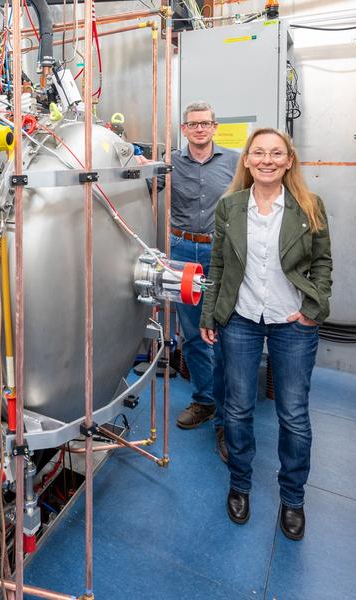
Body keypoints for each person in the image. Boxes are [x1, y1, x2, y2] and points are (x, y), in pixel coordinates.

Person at [199, 128, 333, 541]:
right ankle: (240, 485)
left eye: (276, 153)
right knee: (237, 409)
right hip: (240, 318)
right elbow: (218, 266)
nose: (267, 159)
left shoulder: (309, 206)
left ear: (289, 161)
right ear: (247, 160)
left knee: (292, 415)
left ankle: (293, 499)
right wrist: (210, 314)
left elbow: (323, 264)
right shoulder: (230, 207)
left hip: (291, 321)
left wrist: (313, 310)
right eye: (259, 152)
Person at [148, 101, 239, 462]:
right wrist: (137, 166)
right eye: (192, 124)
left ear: (215, 127)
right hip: (182, 251)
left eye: (205, 124)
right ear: (184, 129)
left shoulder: (234, 161)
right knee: (193, 334)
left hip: (222, 252)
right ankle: (204, 401)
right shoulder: (170, 163)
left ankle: (229, 414)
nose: (199, 129)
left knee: (228, 333)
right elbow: (139, 186)